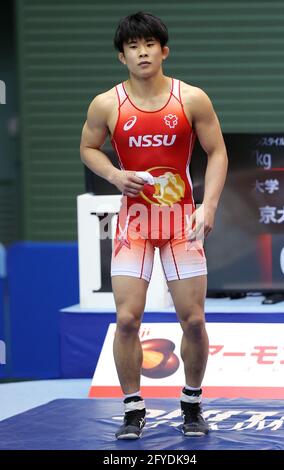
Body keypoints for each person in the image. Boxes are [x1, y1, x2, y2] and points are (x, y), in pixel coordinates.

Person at [80, 11, 228, 439]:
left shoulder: (191, 99)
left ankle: (192, 402)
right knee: (127, 318)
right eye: (132, 46)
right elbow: (89, 147)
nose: (141, 52)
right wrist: (112, 175)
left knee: (194, 320)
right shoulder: (107, 104)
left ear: (164, 50)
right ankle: (132, 408)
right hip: (136, 222)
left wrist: (210, 205)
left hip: (182, 220)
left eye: (149, 44)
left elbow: (217, 152)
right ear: (121, 56)